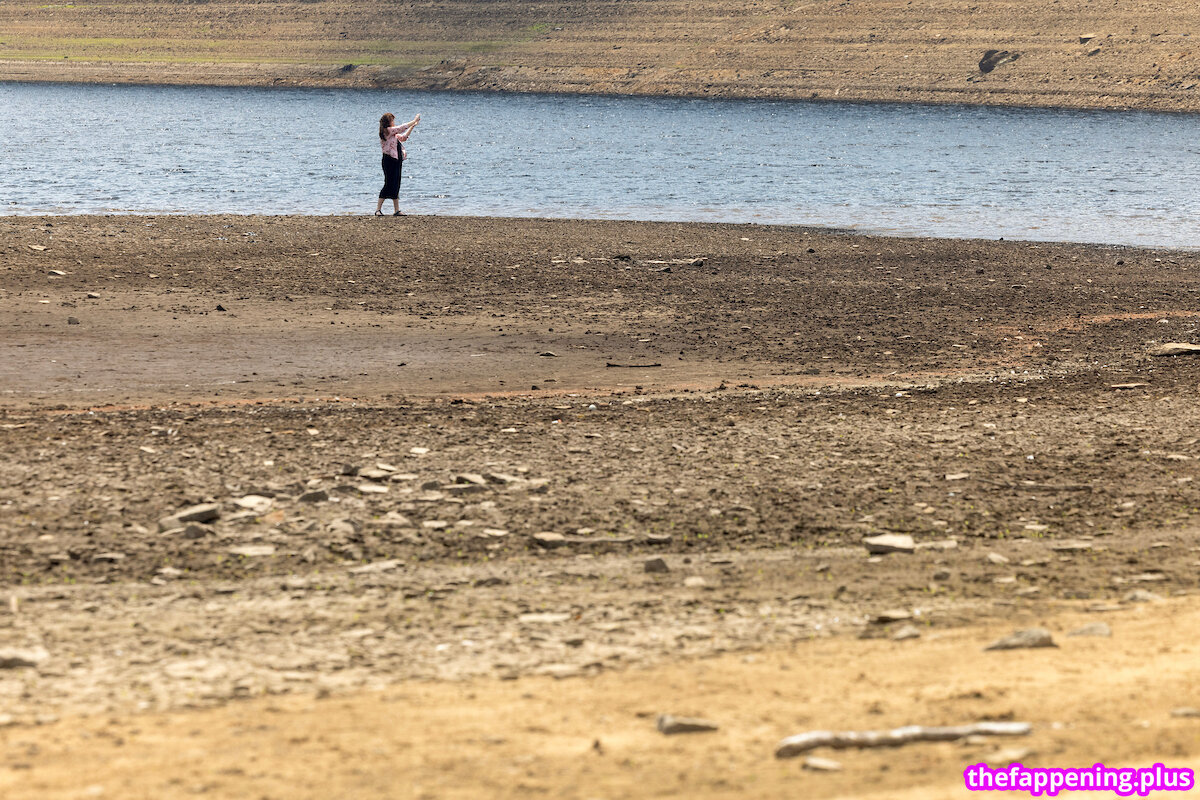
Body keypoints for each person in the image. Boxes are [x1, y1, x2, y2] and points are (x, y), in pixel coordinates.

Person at [375, 112, 420, 216]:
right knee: (388, 184)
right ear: (388, 122)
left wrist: (413, 126)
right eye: (392, 120)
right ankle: (378, 209)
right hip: (388, 160)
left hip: (396, 160)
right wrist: (414, 120)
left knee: (396, 184)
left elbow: (403, 137)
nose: (394, 122)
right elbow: (401, 128)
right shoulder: (387, 131)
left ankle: (396, 210)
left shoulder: (393, 134)